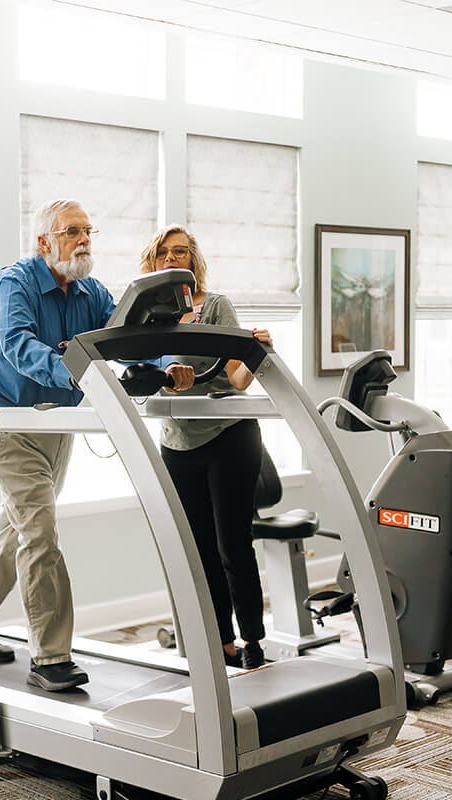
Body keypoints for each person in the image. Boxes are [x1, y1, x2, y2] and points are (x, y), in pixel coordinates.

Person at [0, 200, 194, 692]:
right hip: (4, 422)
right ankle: (50, 657)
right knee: (39, 531)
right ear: (45, 241)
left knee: (20, 528)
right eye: (72, 232)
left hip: (56, 422)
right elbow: (17, 344)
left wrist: (167, 365)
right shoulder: (14, 283)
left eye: (88, 231)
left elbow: (128, 337)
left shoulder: (91, 293)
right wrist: (78, 373)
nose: (84, 240)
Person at [140, 224, 272, 669]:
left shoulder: (215, 306)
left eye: (180, 252)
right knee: (199, 550)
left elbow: (237, 377)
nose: (171, 258)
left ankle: (253, 642)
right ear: (153, 262)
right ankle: (223, 644)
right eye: (163, 252)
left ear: (193, 260)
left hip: (229, 435)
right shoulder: (148, 317)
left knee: (233, 545)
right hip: (177, 442)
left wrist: (255, 355)